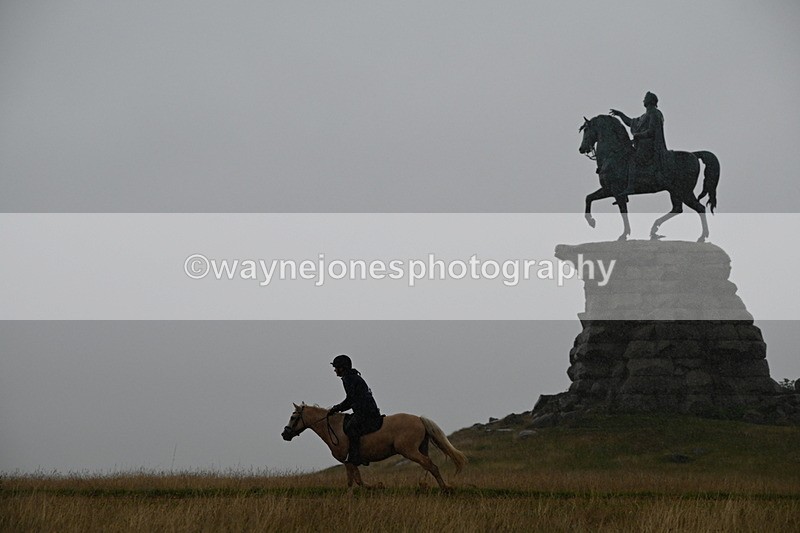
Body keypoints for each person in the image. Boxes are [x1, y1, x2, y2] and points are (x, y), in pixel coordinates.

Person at [609, 91, 668, 198]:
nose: (643, 101)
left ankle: (630, 187)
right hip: (642, 145)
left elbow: (652, 131)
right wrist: (620, 114)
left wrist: (638, 136)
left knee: (632, 159)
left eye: (645, 98)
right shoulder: (645, 116)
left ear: (650, 101)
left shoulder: (655, 113)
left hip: (650, 147)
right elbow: (631, 122)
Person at [327, 354, 383, 466]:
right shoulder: (352, 376)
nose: (334, 370)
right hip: (365, 409)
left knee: (350, 428)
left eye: (336, 367)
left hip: (365, 411)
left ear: (342, 368)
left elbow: (350, 399)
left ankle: (357, 457)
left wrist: (336, 408)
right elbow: (352, 400)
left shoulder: (348, 378)